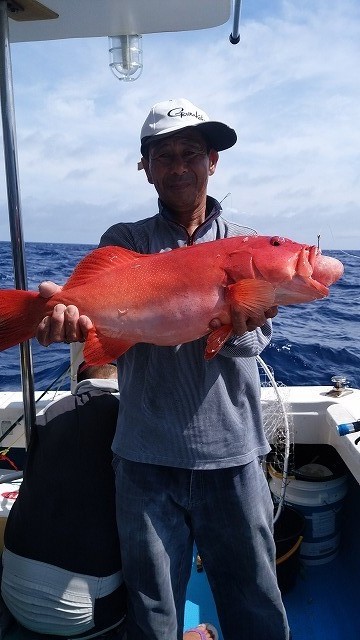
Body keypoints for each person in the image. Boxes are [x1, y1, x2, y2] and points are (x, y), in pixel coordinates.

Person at [35, 98, 289, 640]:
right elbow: (106, 337)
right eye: (164, 155)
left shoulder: (247, 244)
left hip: (234, 456)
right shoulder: (125, 242)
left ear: (212, 161)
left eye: (191, 153)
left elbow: (255, 347)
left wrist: (237, 321)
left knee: (257, 604)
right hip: (145, 457)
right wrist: (69, 323)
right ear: (145, 168)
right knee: (153, 613)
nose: (179, 166)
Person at [0, 361, 216, 640]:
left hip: (11, 593)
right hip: (84, 616)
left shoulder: (48, 414)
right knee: (158, 544)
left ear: (79, 380)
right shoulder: (133, 420)